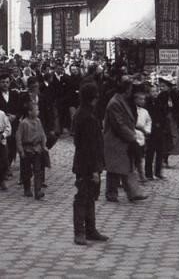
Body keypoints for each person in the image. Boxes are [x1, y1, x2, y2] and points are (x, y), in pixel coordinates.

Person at [71, 82, 108, 246]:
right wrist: (94, 169)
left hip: (84, 161)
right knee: (82, 197)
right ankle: (80, 231)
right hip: (87, 164)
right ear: (93, 98)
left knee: (90, 196)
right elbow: (88, 146)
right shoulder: (87, 117)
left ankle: (90, 229)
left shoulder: (84, 114)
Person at [103, 77, 146, 203]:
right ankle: (113, 193)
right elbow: (119, 124)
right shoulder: (115, 103)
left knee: (125, 167)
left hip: (122, 140)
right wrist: (132, 137)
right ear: (126, 89)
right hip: (115, 140)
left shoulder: (122, 101)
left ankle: (132, 192)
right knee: (115, 169)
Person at [16, 101, 47, 200]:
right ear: (30, 112)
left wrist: (44, 146)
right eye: (36, 110)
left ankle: (38, 191)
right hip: (27, 150)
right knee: (26, 171)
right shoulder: (24, 123)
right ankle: (27, 189)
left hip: (37, 149)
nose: (38, 111)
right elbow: (18, 137)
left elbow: (42, 134)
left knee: (38, 170)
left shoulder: (38, 121)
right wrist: (21, 150)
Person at [134, 88, 151, 182]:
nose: (142, 101)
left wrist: (147, 130)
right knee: (132, 158)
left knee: (140, 157)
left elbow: (149, 121)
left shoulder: (145, 111)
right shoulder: (131, 109)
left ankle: (141, 174)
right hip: (133, 135)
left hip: (141, 136)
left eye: (143, 99)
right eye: (140, 99)